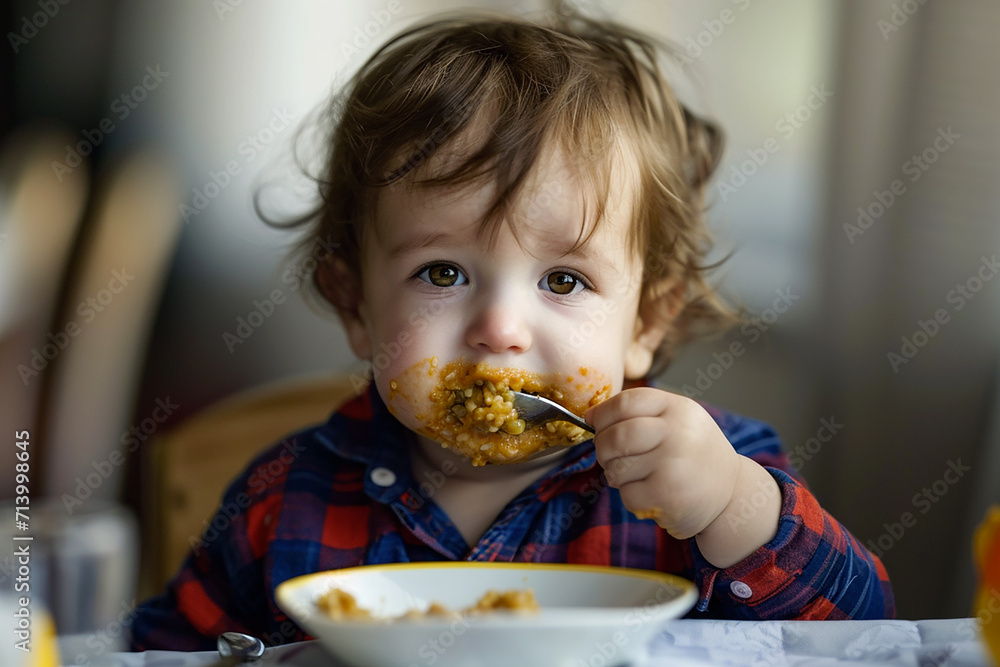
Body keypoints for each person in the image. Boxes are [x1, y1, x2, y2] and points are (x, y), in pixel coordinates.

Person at [130, 9, 893, 650]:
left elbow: (865, 637)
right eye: (442, 272)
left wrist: (734, 507)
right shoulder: (281, 500)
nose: (498, 328)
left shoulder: (707, 478)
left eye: (564, 280)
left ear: (647, 320)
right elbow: (159, 655)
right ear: (355, 305)